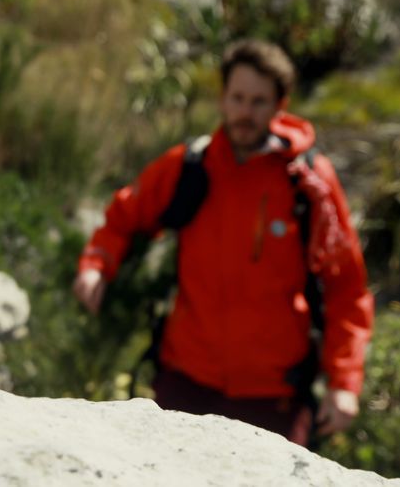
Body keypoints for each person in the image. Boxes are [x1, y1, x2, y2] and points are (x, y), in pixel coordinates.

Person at [72, 39, 374, 447]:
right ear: (222, 98)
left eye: (258, 101)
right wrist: (96, 265)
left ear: (280, 104)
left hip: (272, 395)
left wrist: (344, 382)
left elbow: (346, 288)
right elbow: (123, 217)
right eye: (237, 98)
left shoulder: (309, 184)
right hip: (186, 383)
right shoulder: (189, 167)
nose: (245, 113)